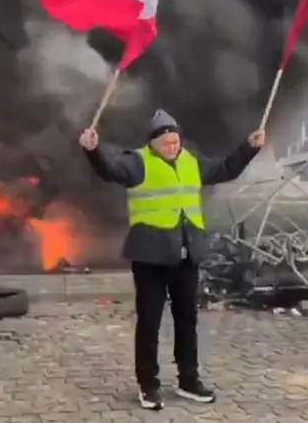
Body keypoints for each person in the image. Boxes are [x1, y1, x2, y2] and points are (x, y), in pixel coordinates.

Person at [79, 109, 263, 411]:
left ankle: (188, 379)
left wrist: (249, 148)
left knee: (187, 319)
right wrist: (93, 150)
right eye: (167, 143)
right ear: (153, 142)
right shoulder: (137, 162)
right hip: (150, 257)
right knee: (149, 322)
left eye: (176, 141)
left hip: (187, 254)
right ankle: (148, 386)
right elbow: (109, 169)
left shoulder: (191, 162)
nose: (173, 147)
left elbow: (227, 168)